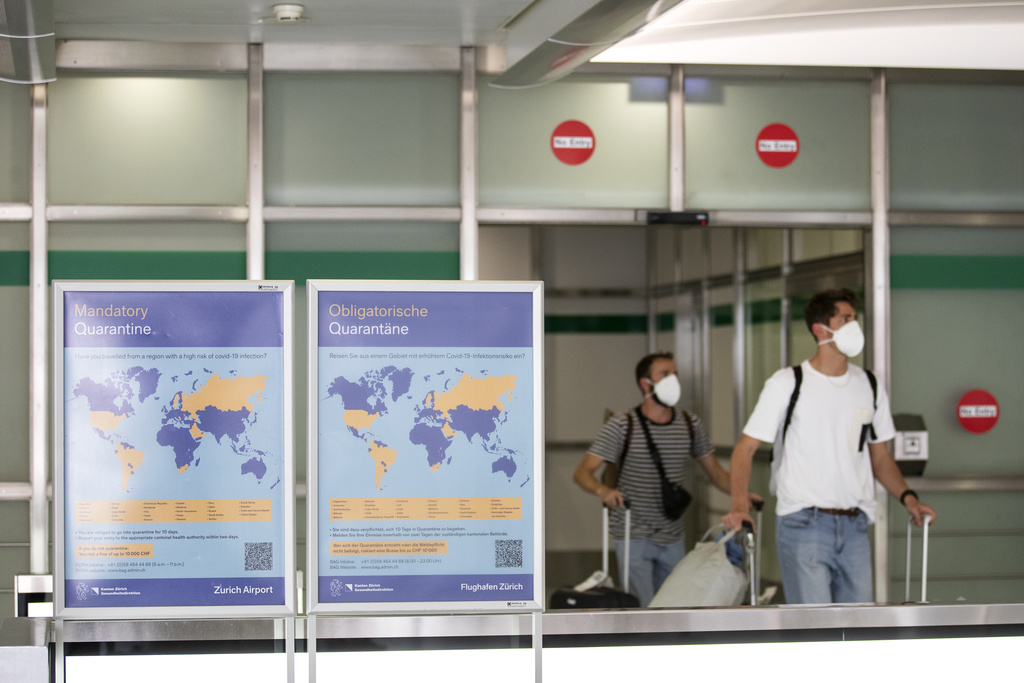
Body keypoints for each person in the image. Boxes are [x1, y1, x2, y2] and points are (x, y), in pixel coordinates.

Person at [722, 288, 936, 604]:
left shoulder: (870, 385)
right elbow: (745, 448)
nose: (854, 325)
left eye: (854, 318)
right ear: (820, 329)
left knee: (859, 624)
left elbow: (880, 458)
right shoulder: (788, 383)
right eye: (845, 318)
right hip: (803, 522)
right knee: (814, 629)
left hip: (855, 524)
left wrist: (909, 498)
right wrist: (739, 505)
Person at [574, 352, 755, 607]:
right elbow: (582, 473)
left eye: (675, 374)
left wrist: (741, 497)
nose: (674, 380)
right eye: (665, 374)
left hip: (672, 534)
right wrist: (603, 491)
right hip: (632, 531)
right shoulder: (622, 425)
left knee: (674, 605)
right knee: (643, 607)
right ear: (645, 383)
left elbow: (714, 473)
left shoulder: (690, 424)